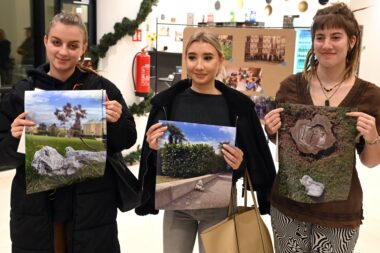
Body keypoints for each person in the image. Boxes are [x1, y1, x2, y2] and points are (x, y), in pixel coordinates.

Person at [0, 12, 137, 253]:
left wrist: (116, 122)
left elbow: (127, 139)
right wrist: (14, 139)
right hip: (36, 210)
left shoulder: (101, 88)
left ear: (84, 47)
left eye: (73, 45)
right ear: (45, 41)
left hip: (91, 208)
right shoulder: (22, 93)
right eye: (56, 42)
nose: (63, 52)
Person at [135, 31, 276, 253]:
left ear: (220, 60)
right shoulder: (167, 103)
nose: (199, 65)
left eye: (208, 58)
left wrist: (240, 162)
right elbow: (152, 162)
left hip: (219, 206)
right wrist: (154, 149)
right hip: (177, 207)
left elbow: (255, 158)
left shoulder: (238, 107)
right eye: (192, 57)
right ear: (185, 59)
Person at [264, 3, 380, 253]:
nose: (326, 45)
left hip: (338, 213)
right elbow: (284, 144)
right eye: (320, 37)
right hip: (289, 206)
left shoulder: (370, 95)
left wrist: (372, 137)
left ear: (351, 41)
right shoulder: (290, 87)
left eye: (335, 37)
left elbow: (370, 162)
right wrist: (272, 130)